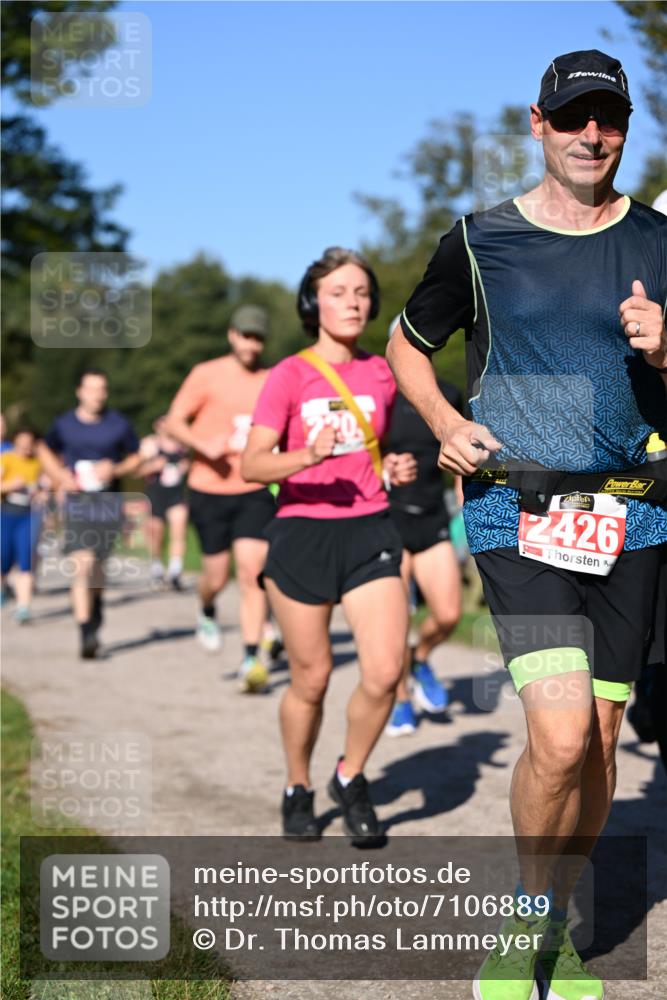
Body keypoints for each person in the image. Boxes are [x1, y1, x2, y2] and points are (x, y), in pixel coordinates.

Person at [387, 49, 667, 1000]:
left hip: (633, 514)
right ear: (539, 123)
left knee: (596, 739)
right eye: (575, 117)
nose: (593, 135)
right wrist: (445, 423)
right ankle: (523, 925)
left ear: (623, 130)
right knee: (554, 736)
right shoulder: (479, 240)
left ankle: (555, 916)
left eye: (610, 119)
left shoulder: (659, 243)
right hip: (516, 505)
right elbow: (406, 341)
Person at [242, 247, 416, 845]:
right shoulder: (289, 374)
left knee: (386, 671)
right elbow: (251, 463)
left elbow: (378, 446)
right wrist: (306, 455)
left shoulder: (383, 372)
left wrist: (390, 464)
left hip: (370, 528)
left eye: (362, 292)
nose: (353, 302)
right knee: (311, 679)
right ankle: (297, 785)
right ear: (314, 302)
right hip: (302, 532)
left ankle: (352, 773)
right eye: (339, 291)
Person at [165, 306, 275, 692]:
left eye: (257, 337)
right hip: (208, 489)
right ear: (232, 335)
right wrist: (203, 444)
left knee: (252, 569)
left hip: (253, 489)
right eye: (245, 335)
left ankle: (250, 658)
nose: (251, 343)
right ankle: (207, 608)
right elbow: (172, 421)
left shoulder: (271, 379)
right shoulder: (206, 374)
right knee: (216, 575)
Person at [385, 318, 463, 735]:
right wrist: (385, 466)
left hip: (433, 519)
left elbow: (462, 446)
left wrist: (464, 491)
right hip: (390, 522)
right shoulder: (379, 399)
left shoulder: (448, 395)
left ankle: (420, 657)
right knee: (394, 621)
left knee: (448, 613)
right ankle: (399, 700)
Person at [41, 369, 142, 658]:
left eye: (102, 389)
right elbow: (45, 450)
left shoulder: (118, 424)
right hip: (77, 502)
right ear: (79, 391)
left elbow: (136, 456)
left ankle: (96, 604)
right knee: (81, 563)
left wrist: (116, 469)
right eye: (91, 389)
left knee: (98, 567)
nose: (97, 394)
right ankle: (85, 631)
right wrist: (60, 476)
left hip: (108, 502)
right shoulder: (64, 424)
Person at [138, 416, 189, 590]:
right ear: (157, 425)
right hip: (155, 494)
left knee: (179, 531)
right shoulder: (149, 444)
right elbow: (136, 471)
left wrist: (185, 467)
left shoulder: (183, 444)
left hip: (176, 495)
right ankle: (157, 568)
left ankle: (175, 571)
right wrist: (152, 466)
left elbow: (193, 464)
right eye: (164, 422)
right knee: (155, 535)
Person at [1, 426, 43, 622]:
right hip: (6, 514)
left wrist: (42, 492)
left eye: (29, 444)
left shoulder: (38, 462)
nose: (26, 448)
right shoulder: (6, 459)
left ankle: (23, 608)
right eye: (22, 444)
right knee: (4, 559)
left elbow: (47, 483)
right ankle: (3, 588)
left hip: (28, 516)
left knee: (26, 561)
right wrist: (10, 486)